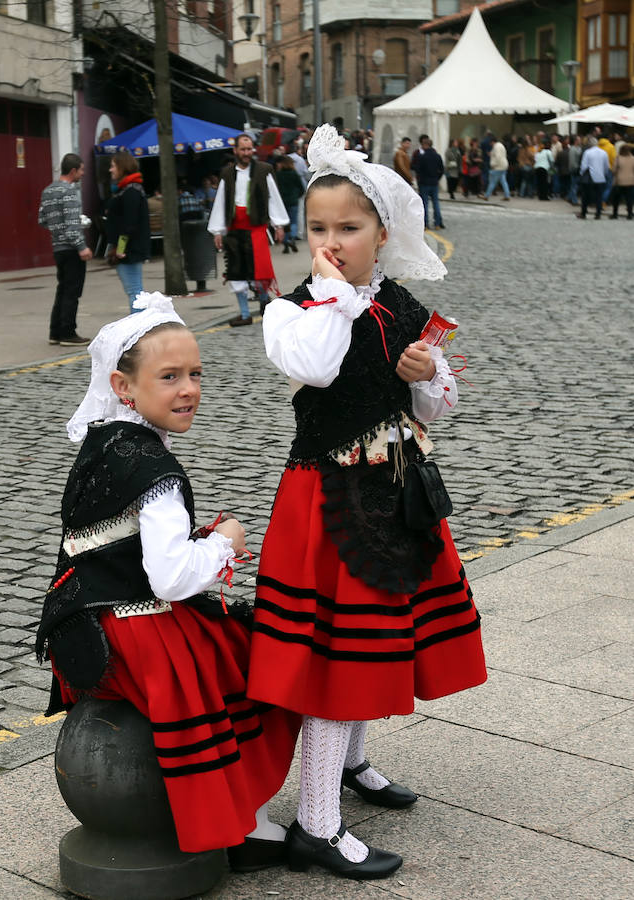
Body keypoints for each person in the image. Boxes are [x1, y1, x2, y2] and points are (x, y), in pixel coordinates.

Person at [246, 124, 487, 880]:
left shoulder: (405, 307)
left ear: (383, 232)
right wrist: (333, 296)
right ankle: (316, 823)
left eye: (349, 228)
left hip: (397, 495)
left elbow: (438, 405)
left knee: (374, 641)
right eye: (318, 228)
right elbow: (315, 369)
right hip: (325, 506)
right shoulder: (294, 311)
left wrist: (422, 372)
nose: (333, 241)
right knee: (333, 660)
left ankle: (349, 765)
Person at [35, 292, 301, 866]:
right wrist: (224, 544)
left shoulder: (104, 440)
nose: (189, 389)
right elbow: (172, 576)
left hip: (83, 624)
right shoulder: (156, 470)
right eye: (170, 376)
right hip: (134, 634)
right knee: (258, 661)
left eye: (196, 374)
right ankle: (236, 820)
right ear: (124, 386)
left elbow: (110, 544)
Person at [208, 134, 290, 326]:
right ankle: (245, 314)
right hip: (235, 229)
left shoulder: (264, 170)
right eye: (243, 149)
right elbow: (220, 201)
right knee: (236, 271)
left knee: (260, 271)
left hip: (256, 227)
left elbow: (273, 198)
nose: (246, 153)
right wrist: (218, 230)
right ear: (235, 151)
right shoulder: (227, 173)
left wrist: (279, 225)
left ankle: (264, 303)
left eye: (249, 149)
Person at [38, 153, 93, 346]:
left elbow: (42, 220)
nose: (83, 174)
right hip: (71, 249)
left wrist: (56, 230)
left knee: (62, 289)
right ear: (73, 170)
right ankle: (68, 332)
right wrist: (82, 247)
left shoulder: (47, 191)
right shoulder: (69, 192)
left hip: (57, 248)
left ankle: (55, 332)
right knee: (72, 291)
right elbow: (71, 224)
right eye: (82, 170)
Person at [106, 151, 151, 311]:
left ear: (122, 167)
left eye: (113, 166)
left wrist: (120, 248)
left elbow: (129, 223)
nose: (110, 170)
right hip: (130, 248)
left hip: (129, 250)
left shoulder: (130, 190)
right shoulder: (129, 189)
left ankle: (139, 331)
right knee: (134, 291)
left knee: (135, 293)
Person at [411, 134, 445, 229]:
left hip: (424, 182)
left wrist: (420, 178)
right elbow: (442, 169)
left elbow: (417, 168)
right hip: (434, 182)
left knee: (424, 204)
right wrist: (437, 178)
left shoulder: (422, 156)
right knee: (436, 203)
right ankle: (437, 223)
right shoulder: (437, 156)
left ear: (425, 145)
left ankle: (425, 224)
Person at [275, 155, 305, 253]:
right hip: (293, 200)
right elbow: (300, 187)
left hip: (282, 201)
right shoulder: (294, 173)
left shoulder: (278, 174)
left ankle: (286, 241)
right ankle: (292, 237)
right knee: (293, 221)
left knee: (284, 223)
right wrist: (297, 195)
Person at [578, 136, 610, 220]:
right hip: (600, 177)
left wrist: (581, 173)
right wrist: (604, 173)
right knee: (599, 196)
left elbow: (584, 165)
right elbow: (606, 166)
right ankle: (598, 213)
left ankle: (583, 212)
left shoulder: (587, 152)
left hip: (589, 178)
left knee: (585, 196)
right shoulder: (604, 152)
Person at [609, 144, 634, 219]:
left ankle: (615, 214)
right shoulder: (633, 158)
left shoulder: (618, 158)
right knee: (629, 199)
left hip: (619, 181)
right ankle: (629, 214)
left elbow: (614, 170)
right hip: (631, 181)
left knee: (616, 198)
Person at [483, 135, 510, 201]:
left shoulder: (496, 147)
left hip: (498, 167)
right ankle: (507, 195)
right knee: (503, 182)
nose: (490, 144)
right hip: (504, 165)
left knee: (492, 182)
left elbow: (498, 157)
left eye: (490, 143)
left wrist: (493, 164)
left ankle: (486, 196)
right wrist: (491, 154)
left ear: (492, 142)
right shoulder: (500, 145)